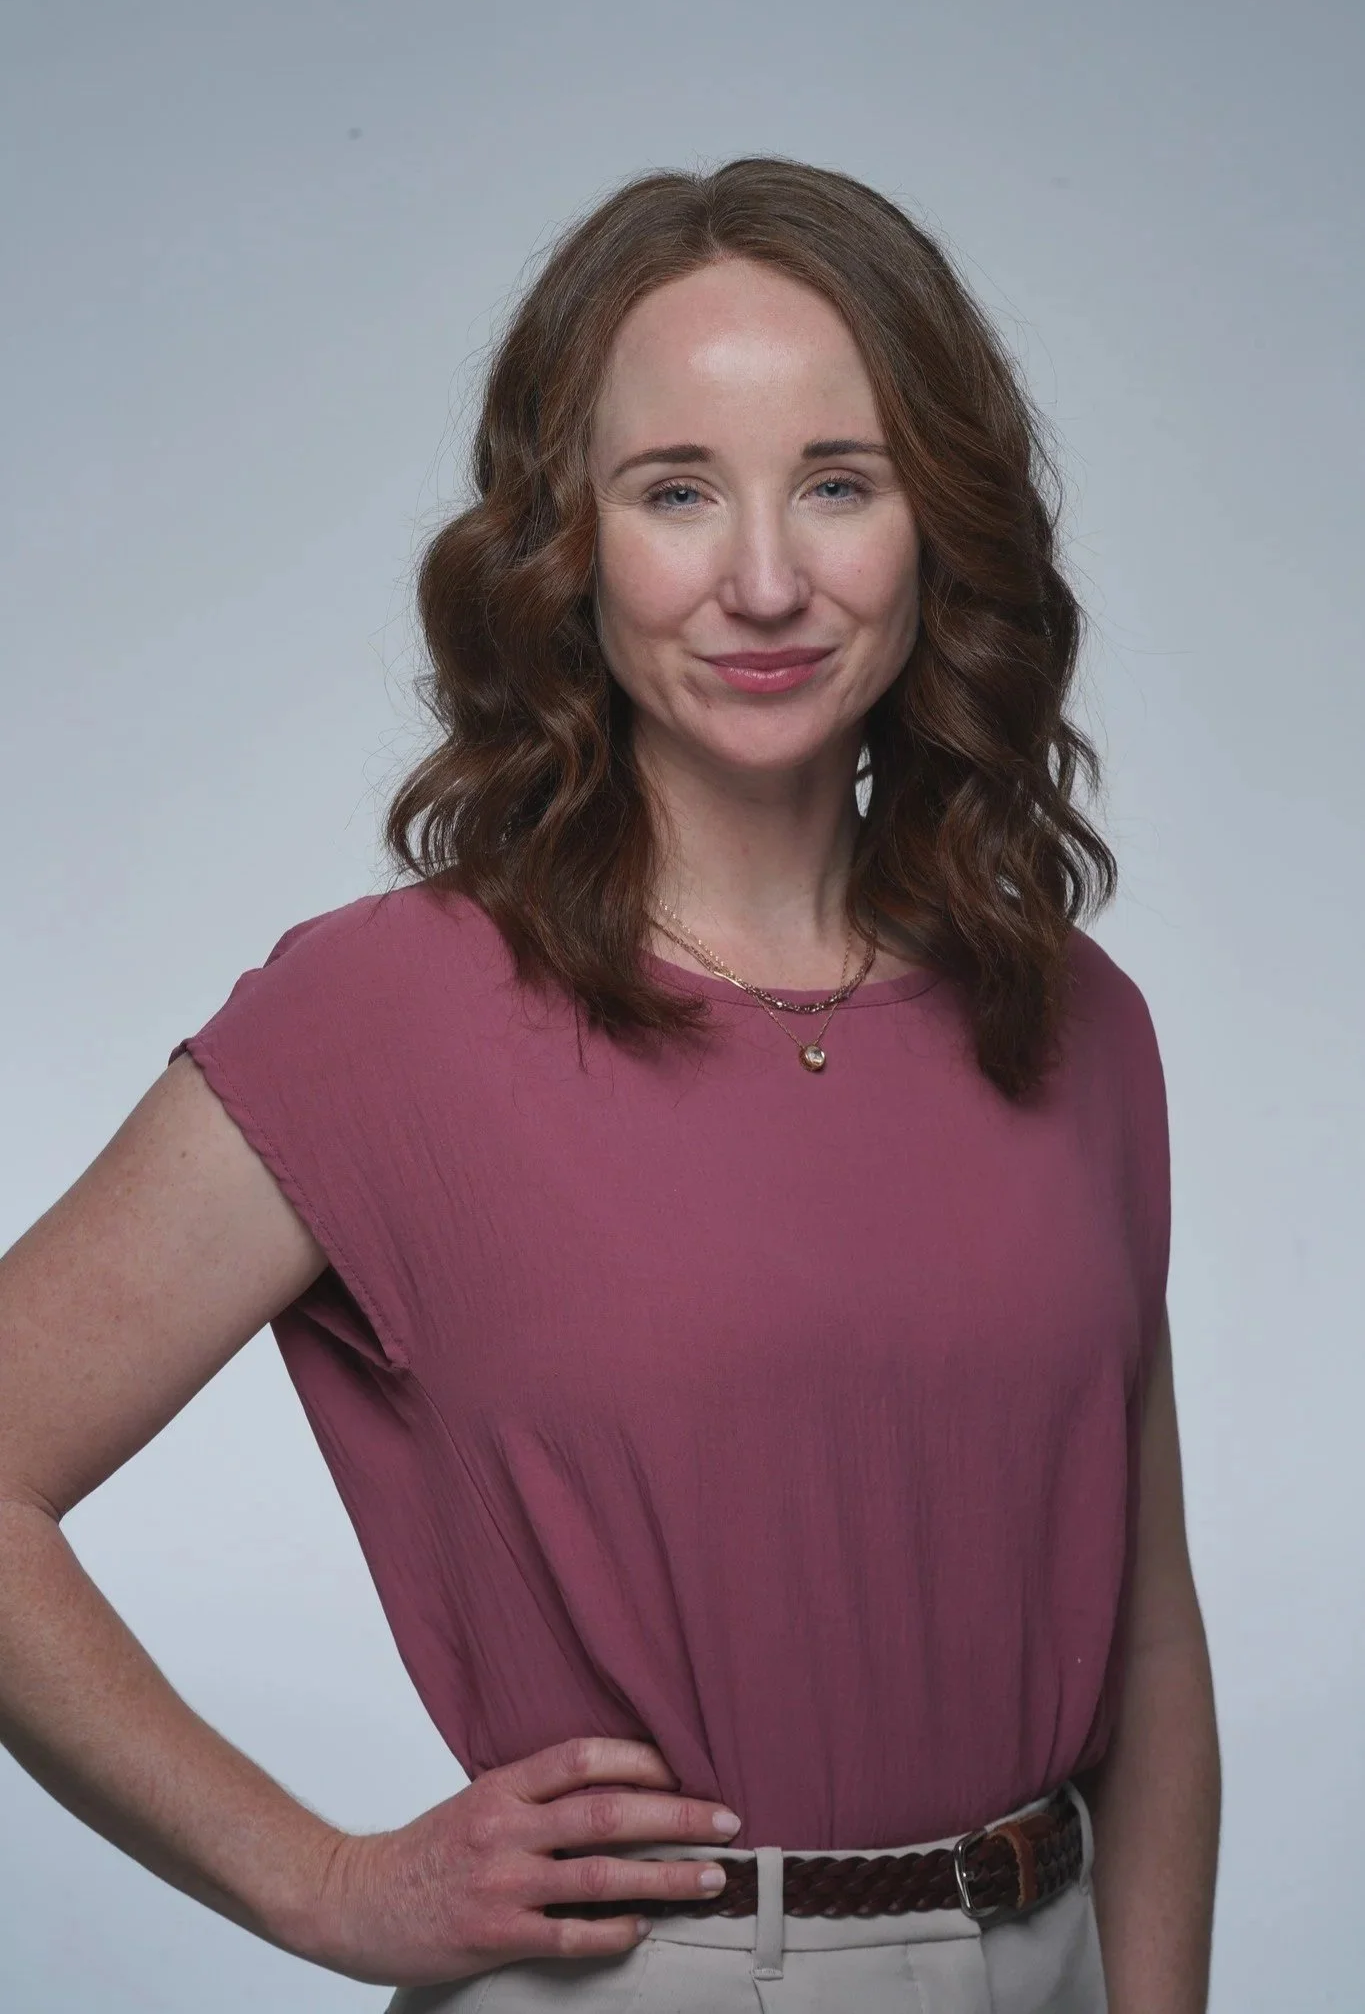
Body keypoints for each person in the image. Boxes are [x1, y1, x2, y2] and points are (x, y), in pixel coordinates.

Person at [0, 157, 1219, 2013]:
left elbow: (1144, 1646)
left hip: (1046, 1958)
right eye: (675, 491)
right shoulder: (388, 1014)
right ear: (567, 543)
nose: (762, 578)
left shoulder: (1079, 1024)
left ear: (936, 523)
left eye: (838, 481)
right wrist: (318, 1883)